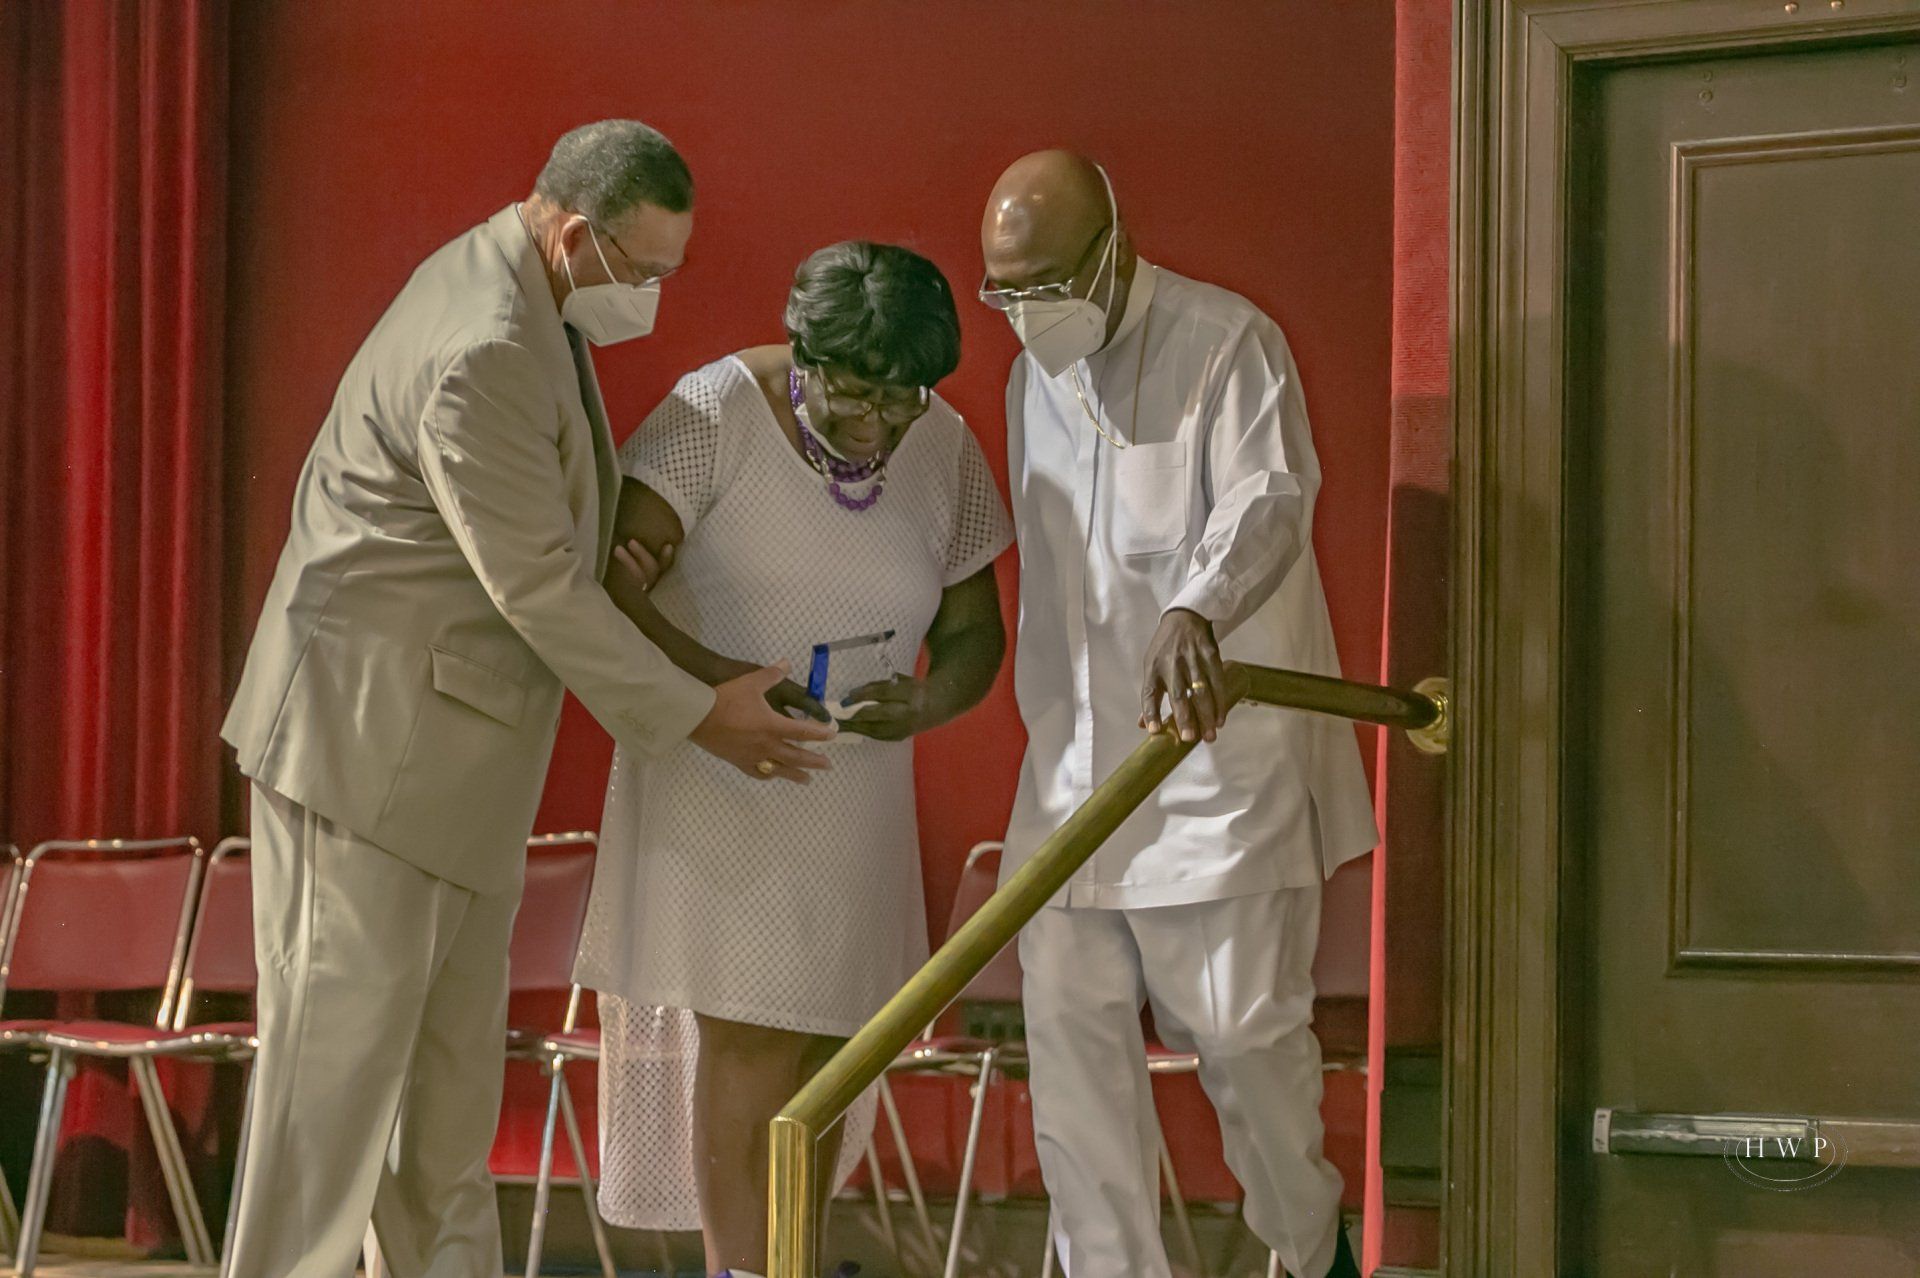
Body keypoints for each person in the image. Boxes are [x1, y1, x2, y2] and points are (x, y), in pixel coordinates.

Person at [219, 120, 832, 1278]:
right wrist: (702, 715)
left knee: (443, 1120)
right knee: (329, 1111)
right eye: (642, 268)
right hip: (368, 756)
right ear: (574, 233)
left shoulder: (527, 297)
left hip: (448, 769)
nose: (651, 294)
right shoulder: (486, 340)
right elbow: (539, 587)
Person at [573, 240, 1013, 1278]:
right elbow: (611, 585)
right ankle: (742, 1270)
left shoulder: (942, 442)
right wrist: (719, 684)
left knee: (828, 1055)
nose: (876, 424)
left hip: (856, 801)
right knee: (754, 1038)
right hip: (725, 776)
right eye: (855, 393)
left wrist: (929, 700)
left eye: (899, 401)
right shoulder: (716, 411)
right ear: (804, 353)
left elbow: (974, 635)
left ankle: (790, 1267)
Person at [979, 150, 1375, 1278]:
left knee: (1246, 1041)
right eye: (1005, 292)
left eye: (1050, 284)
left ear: (1115, 249)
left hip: (1212, 774)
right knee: (1071, 1069)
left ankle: (1311, 1251)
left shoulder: (1227, 341)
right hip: (1070, 780)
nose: (1028, 313)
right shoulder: (1030, 381)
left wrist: (1196, 604)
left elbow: (1269, 498)